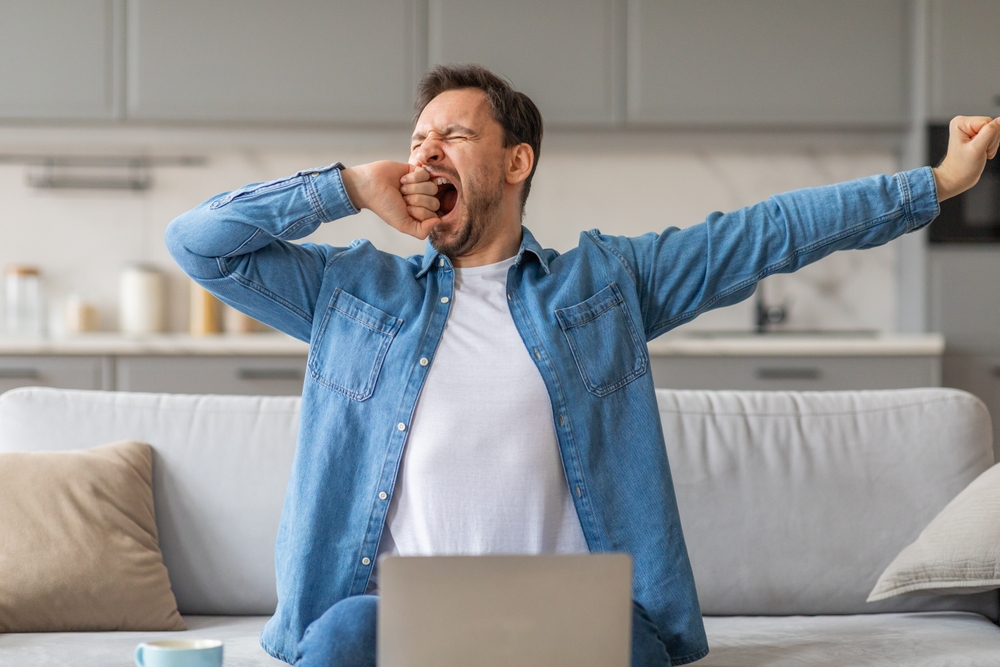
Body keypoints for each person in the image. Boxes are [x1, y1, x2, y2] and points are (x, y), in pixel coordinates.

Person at [166, 64, 1000, 667]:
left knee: (633, 647)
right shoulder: (353, 292)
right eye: (416, 140)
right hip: (392, 621)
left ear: (517, 161)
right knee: (341, 637)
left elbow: (767, 230)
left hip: (564, 625)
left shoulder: (606, 285)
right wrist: (347, 185)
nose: (424, 154)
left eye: (453, 134)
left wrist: (935, 182)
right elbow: (198, 244)